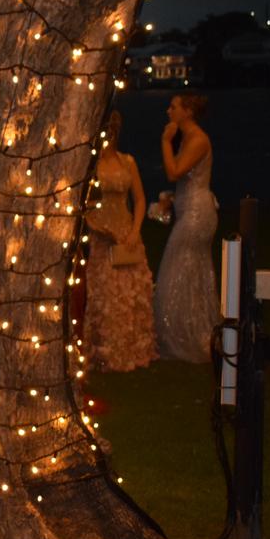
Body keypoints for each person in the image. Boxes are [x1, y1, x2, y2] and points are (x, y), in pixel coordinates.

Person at [83, 110, 158, 371]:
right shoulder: (90, 165)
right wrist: (100, 229)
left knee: (130, 293)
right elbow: (84, 206)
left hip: (125, 232)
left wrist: (135, 230)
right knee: (104, 295)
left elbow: (139, 199)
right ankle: (104, 352)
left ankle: (132, 349)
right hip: (102, 235)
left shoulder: (127, 162)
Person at [153, 93, 219, 364]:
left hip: (196, 215)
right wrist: (170, 199)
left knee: (176, 273)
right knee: (187, 275)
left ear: (188, 111)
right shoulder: (192, 139)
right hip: (188, 209)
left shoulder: (198, 140)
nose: (169, 111)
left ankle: (191, 337)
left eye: (174, 107)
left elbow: (174, 171)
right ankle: (188, 332)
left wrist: (166, 142)